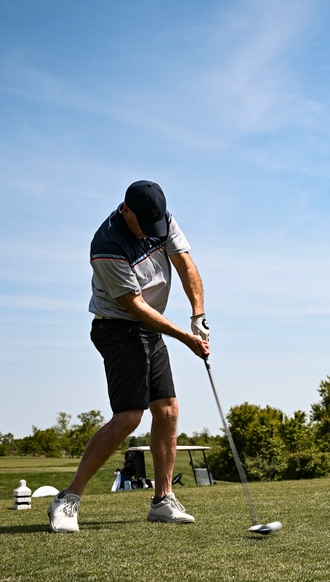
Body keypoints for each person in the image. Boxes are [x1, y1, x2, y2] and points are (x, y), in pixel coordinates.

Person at [48, 180, 212, 533]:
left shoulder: (161, 220)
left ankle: (162, 500)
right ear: (126, 210)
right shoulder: (107, 245)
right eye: (143, 225)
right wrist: (186, 338)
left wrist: (198, 315)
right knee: (128, 417)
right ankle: (67, 499)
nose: (152, 232)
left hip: (151, 329)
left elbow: (185, 265)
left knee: (167, 410)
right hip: (118, 326)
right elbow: (135, 308)